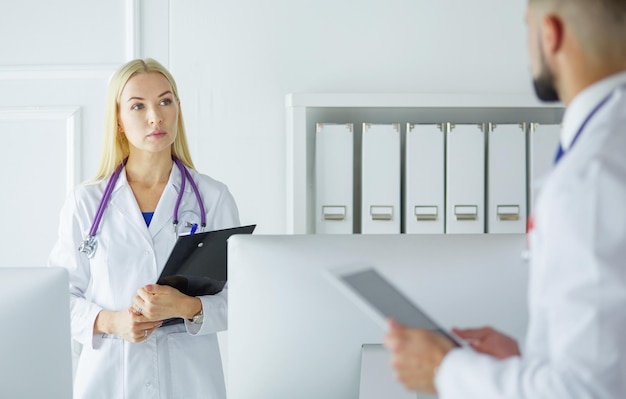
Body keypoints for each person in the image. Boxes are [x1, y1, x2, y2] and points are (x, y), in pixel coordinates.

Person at [385, 0, 626, 397]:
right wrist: (531, 360)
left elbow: (585, 391)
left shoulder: (589, 179)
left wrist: (446, 371)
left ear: (550, 34)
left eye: (525, 28)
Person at [48, 58, 240, 399]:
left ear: (178, 109)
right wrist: (111, 322)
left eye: (165, 101)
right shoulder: (85, 203)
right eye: (138, 106)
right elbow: (57, 298)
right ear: (119, 119)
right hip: (108, 380)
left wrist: (187, 307)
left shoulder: (213, 198)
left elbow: (241, 296)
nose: (156, 116)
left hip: (190, 382)